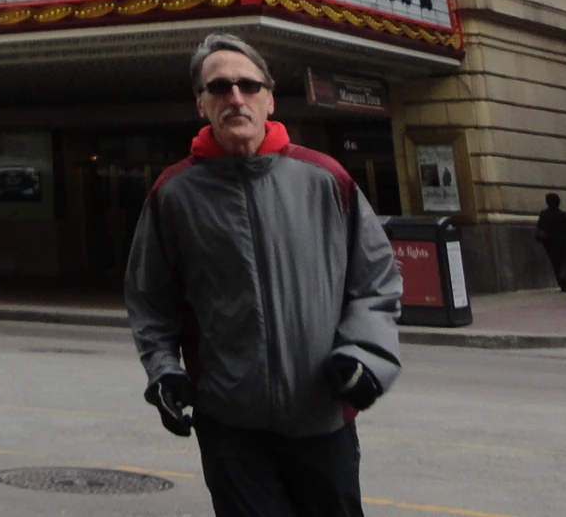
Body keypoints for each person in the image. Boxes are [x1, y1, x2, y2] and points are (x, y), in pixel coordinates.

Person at [126, 33, 402, 517]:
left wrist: (367, 356)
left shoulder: (327, 179)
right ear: (201, 103)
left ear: (269, 98)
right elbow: (150, 299)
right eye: (220, 87)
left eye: (248, 85)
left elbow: (375, 280)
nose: (236, 97)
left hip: (322, 417)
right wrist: (164, 373)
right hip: (229, 425)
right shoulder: (173, 194)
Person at [533, 193, 566, 291]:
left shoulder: (544, 214)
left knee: (556, 263)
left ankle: (562, 283)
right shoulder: (563, 215)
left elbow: (540, 226)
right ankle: (564, 279)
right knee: (565, 263)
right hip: (564, 242)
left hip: (550, 243)